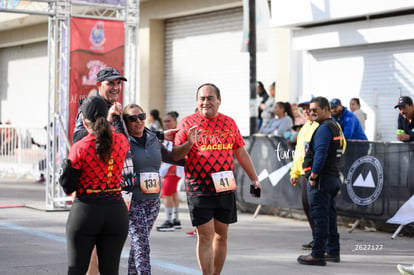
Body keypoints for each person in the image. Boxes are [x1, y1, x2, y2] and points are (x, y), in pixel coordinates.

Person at [172, 83, 261, 275]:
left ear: (219, 101)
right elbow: (176, 155)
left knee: (221, 235)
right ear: (197, 101)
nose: (205, 102)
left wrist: (254, 178)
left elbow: (240, 151)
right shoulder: (187, 123)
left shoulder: (229, 123)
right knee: (205, 236)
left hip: (224, 184)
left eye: (210, 98)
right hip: (199, 186)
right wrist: (189, 143)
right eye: (202, 98)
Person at [59, 96, 130, 274]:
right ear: (107, 117)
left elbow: (68, 187)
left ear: (83, 120)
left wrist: (65, 169)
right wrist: (117, 117)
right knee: (110, 271)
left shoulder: (80, 146)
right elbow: (121, 132)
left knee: (76, 269)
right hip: (116, 211)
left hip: (86, 210)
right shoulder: (121, 141)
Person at [122, 104, 188, 274]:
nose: (138, 121)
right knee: (142, 244)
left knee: (139, 244)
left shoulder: (153, 138)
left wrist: (197, 160)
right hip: (133, 200)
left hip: (152, 200)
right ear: (125, 122)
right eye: (132, 118)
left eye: (141, 116)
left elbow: (171, 157)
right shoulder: (122, 141)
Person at [297, 96, 346, 266]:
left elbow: (321, 154)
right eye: (310, 110)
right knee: (330, 217)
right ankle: (332, 251)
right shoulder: (334, 126)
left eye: (315, 110)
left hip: (322, 180)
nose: (312, 113)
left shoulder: (324, 128)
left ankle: (317, 254)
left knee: (320, 218)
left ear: (326, 109)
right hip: (331, 178)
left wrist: (314, 176)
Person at [289, 100, 319, 250]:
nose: (306, 111)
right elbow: (299, 153)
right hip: (303, 173)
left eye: (308, 108)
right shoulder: (305, 127)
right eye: (304, 109)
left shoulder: (321, 126)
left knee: (317, 208)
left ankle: (322, 241)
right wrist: (294, 172)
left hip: (315, 173)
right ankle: (317, 238)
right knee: (308, 206)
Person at [72, 66, 127, 143]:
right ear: (98, 84)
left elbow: (124, 142)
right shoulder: (90, 106)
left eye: (118, 83)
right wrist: (107, 121)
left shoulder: (116, 108)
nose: (115, 88)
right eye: (110, 83)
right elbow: (77, 139)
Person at [156, 111, 185, 232]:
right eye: (165, 121)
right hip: (170, 170)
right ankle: (175, 219)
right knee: (173, 194)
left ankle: (169, 221)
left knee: (166, 194)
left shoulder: (179, 134)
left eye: (169, 121)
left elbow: (175, 153)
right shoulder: (167, 135)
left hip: (173, 170)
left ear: (175, 121)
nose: (167, 123)